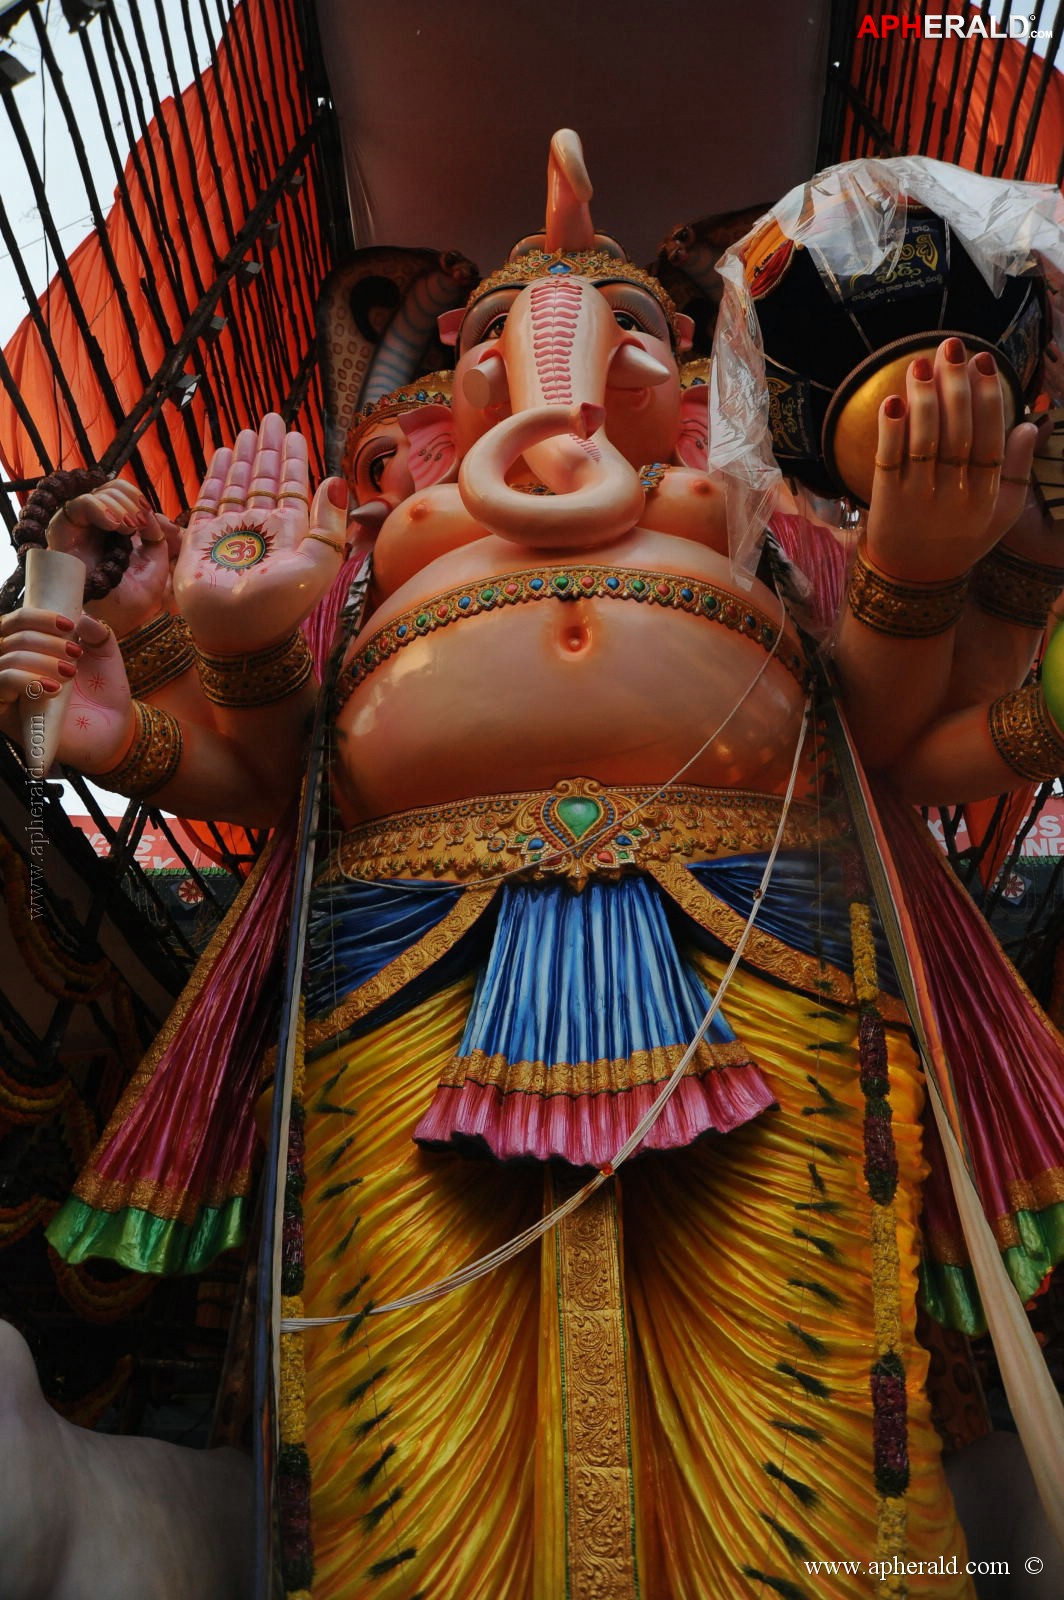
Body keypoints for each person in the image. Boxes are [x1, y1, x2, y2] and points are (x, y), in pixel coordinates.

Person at [3, 132, 1063, 1599]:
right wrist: (185, 692)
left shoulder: (753, 510)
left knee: (801, 1395)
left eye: (626, 323)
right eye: (501, 328)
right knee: (406, 1435)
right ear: (454, 380)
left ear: (692, 373)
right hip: (402, 958)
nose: (558, 348)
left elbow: (878, 729)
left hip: (757, 936)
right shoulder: (377, 539)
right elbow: (283, 780)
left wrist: (917, 566)